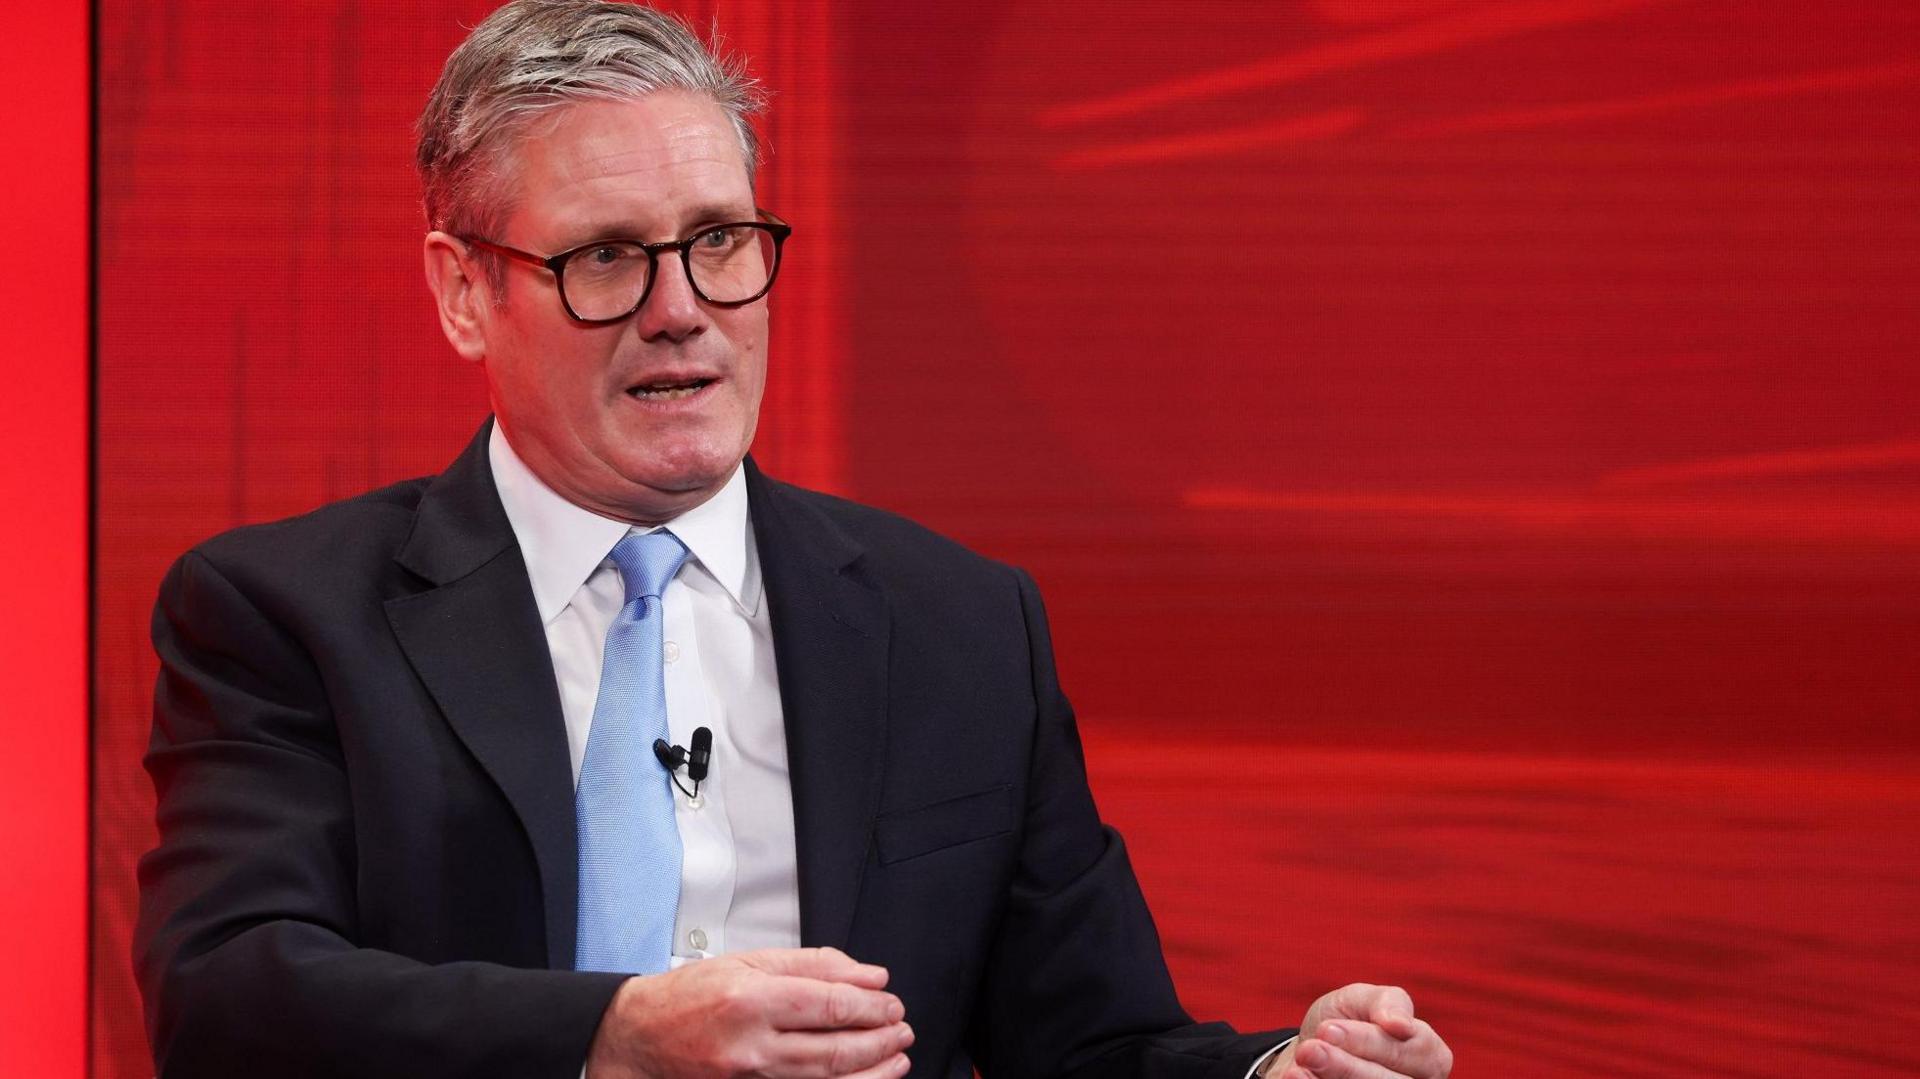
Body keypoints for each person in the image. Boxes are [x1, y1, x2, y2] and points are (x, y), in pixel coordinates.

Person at [134, 3, 1455, 1078]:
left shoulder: (959, 625)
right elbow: (231, 999)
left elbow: (1092, 1044)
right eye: (606, 259)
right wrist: (615, 1037)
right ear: (465, 291)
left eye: (719, 241)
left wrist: (1274, 1072)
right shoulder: (285, 614)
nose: (682, 311)